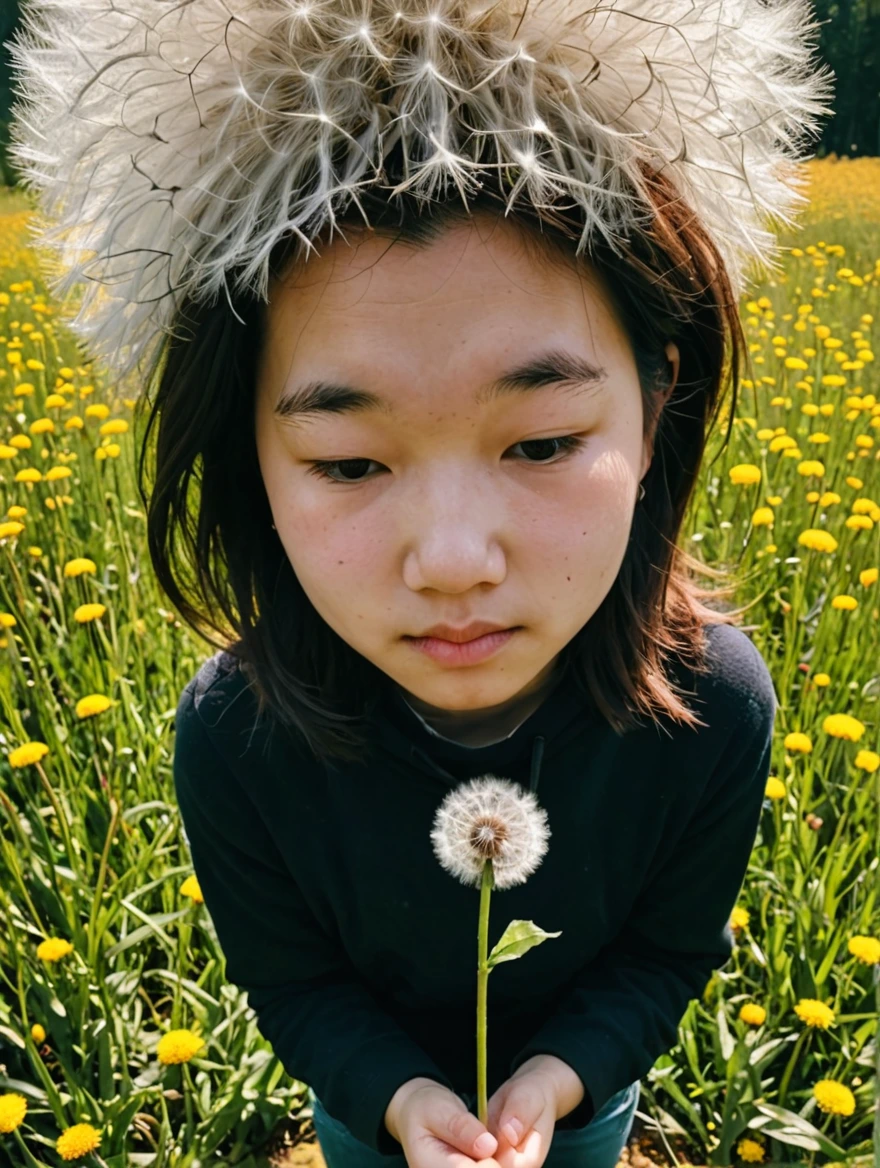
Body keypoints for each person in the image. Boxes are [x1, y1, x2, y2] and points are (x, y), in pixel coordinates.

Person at [8, 1, 832, 1165]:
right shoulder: (237, 736)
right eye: (348, 462)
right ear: (249, 460)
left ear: (658, 410)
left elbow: (663, 953)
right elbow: (291, 982)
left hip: (583, 1107)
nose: (451, 561)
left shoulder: (714, 707)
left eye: (541, 442)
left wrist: (560, 1083)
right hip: (363, 1115)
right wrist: (394, 1101)